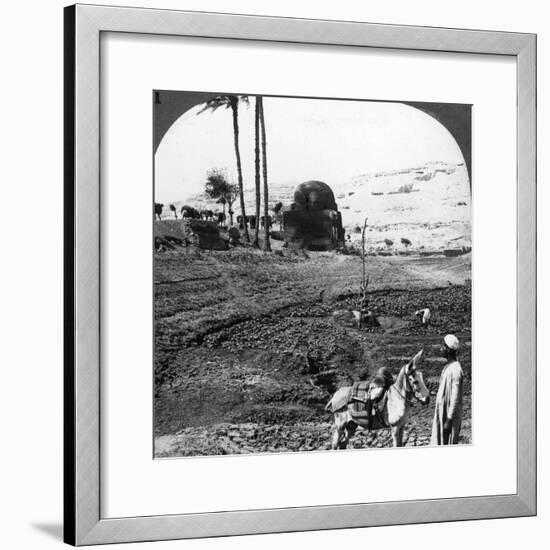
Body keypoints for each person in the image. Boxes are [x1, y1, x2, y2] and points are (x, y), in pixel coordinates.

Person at [431, 334, 464, 445]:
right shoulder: (447, 367)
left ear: (449, 350)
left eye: (443, 346)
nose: (441, 349)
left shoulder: (455, 369)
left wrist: (449, 420)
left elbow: (455, 397)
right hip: (442, 413)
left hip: (448, 417)